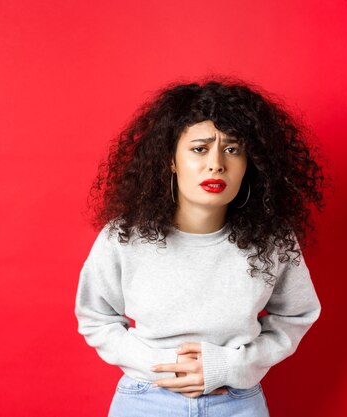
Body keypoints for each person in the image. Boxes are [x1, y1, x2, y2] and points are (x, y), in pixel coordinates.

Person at [74, 76, 328, 417]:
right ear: (171, 160)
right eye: (199, 148)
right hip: (145, 400)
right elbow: (95, 317)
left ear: (249, 163)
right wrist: (159, 365)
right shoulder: (124, 236)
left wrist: (231, 365)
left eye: (232, 149)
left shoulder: (272, 241)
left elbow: (297, 315)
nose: (216, 164)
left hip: (238, 403)